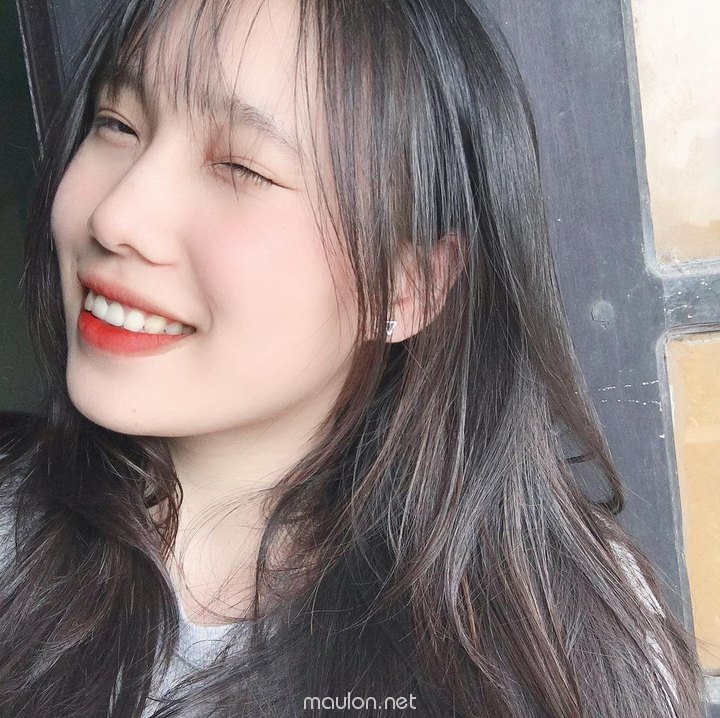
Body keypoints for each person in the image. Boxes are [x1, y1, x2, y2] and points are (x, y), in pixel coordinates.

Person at [0, 0, 706, 715]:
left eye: (241, 167)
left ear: (406, 286)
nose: (116, 215)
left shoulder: (554, 650)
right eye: (117, 124)